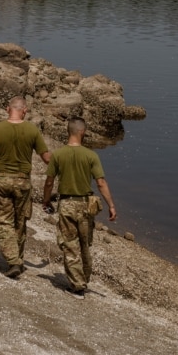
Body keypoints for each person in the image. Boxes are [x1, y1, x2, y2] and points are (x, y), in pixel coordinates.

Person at [41, 116, 117, 299]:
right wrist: (111, 205)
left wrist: (46, 200)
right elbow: (100, 183)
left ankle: (78, 285)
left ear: (68, 131)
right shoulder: (91, 155)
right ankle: (83, 279)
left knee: (69, 245)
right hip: (85, 205)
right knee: (84, 244)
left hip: (66, 204)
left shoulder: (58, 155)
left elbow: (49, 182)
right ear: (82, 132)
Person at [0, 96, 51, 279]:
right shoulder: (32, 130)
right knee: (20, 221)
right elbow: (47, 158)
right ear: (24, 110)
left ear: (7, 109)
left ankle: (14, 261)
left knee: (2, 220)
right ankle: (17, 259)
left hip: (1, 180)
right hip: (23, 181)